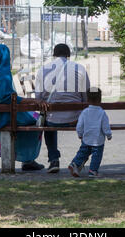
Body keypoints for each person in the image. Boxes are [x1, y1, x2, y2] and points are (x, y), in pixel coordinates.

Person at [35, 43, 90, 173]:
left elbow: (38, 97)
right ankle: (78, 160)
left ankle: (54, 159)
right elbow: (86, 96)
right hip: (75, 119)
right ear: (68, 55)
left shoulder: (43, 70)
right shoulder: (80, 68)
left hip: (52, 119)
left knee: (48, 122)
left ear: (54, 55)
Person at [68, 88, 112, 178]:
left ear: (87, 100)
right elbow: (105, 126)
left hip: (86, 138)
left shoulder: (84, 112)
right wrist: (108, 135)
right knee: (97, 156)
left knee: (83, 152)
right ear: (100, 100)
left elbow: (79, 125)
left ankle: (75, 163)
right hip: (98, 140)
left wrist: (80, 134)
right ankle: (93, 170)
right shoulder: (102, 113)